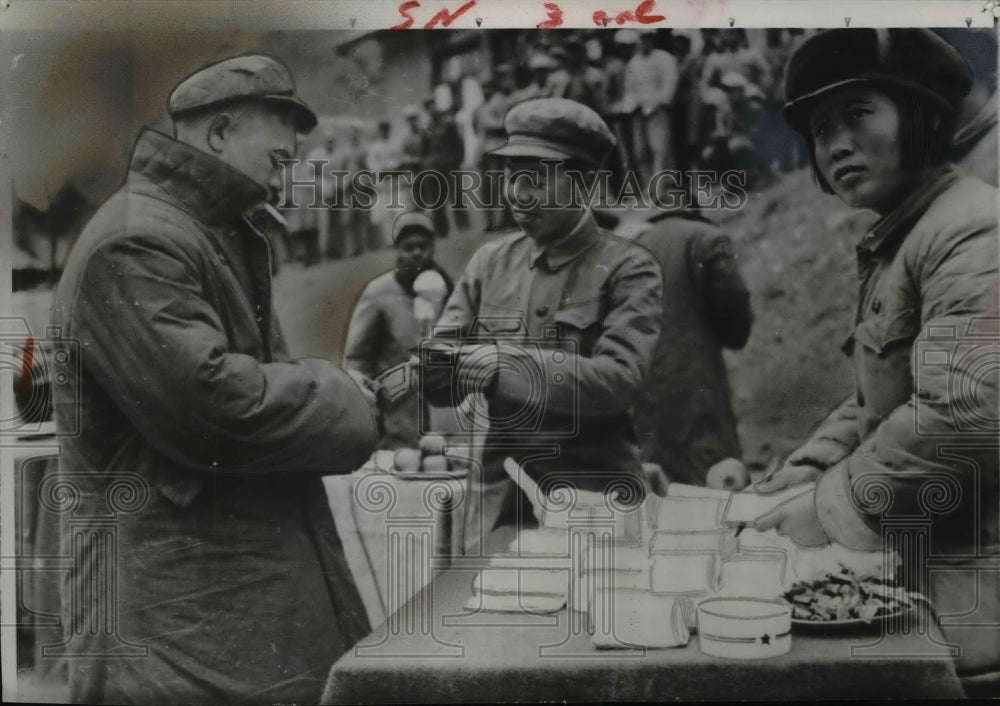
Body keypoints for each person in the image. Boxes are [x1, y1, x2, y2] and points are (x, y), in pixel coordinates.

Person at [49, 55, 380, 704]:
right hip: (175, 620)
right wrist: (348, 399)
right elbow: (217, 406)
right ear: (220, 133)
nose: (294, 146)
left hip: (211, 599)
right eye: (278, 124)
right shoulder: (136, 239)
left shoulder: (200, 230)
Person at [752, 29, 999, 697]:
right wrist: (805, 466)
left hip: (975, 602)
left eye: (859, 114)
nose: (835, 144)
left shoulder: (971, 228)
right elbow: (880, 399)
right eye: (821, 128)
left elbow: (967, 409)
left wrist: (833, 506)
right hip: (927, 581)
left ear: (922, 117)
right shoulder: (905, 237)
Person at [422, 97, 664, 545]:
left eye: (535, 178)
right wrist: (434, 365)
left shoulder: (628, 267)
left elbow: (618, 380)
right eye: (512, 176)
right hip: (497, 507)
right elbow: (439, 374)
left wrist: (504, 366)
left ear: (584, 182)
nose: (517, 194)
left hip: (592, 505)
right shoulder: (489, 263)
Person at [626, 209, 753, 486]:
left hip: (640, 398)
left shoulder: (627, 249)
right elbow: (734, 307)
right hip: (696, 390)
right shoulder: (705, 238)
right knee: (717, 485)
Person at [345, 211, 454, 449]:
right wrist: (367, 407)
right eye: (409, 247)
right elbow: (357, 358)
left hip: (443, 419)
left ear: (432, 247)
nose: (417, 253)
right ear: (397, 250)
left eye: (423, 246)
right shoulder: (378, 293)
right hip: (397, 419)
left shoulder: (446, 288)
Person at [621, 29, 679, 189]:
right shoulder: (634, 62)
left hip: (658, 110)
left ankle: (659, 189)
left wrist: (658, 103)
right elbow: (629, 89)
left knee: (659, 150)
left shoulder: (664, 58)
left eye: (649, 38)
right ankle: (649, 188)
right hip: (638, 110)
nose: (646, 41)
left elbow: (670, 84)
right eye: (643, 38)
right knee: (640, 152)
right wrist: (631, 106)